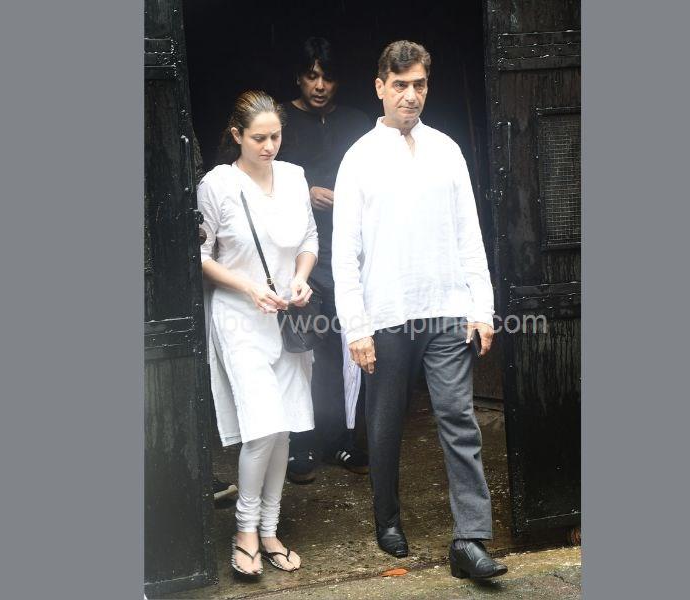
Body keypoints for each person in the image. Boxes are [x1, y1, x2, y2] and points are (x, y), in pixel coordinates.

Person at [332, 41, 509, 580]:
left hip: (446, 309)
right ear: (380, 86)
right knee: (385, 425)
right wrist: (356, 327)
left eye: (420, 85)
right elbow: (344, 253)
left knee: (459, 419)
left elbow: (469, 234)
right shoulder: (359, 158)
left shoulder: (446, 150)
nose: (411, 95)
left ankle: (470, 539)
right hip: (386, 313)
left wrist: (481, 308)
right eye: (400, 85)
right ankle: (387, 518)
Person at [198, 90, 318, 578]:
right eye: (259, 138)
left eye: (276, 137)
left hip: (285, 318)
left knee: (283, 426)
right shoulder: (217, 185)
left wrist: (301, 278)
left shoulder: (294, 177)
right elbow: (199, 255)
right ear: (237, 136)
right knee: (262, 426)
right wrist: (248, 286)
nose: (270, 147)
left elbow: (309, 239)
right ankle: (245, 531)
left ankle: (269, 529)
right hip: (238, 317)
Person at [277, 37, 372, 484]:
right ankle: (301, 443)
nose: (319, 86)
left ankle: (344, 438)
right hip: (295, 253)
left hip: (351, 250)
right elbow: (257, 177)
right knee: (302, 349)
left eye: (327, 77)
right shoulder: (280, 121)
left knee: (348, 345)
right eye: (311, 76)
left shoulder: (358, 123)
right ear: (297, 76)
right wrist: (305, 192)